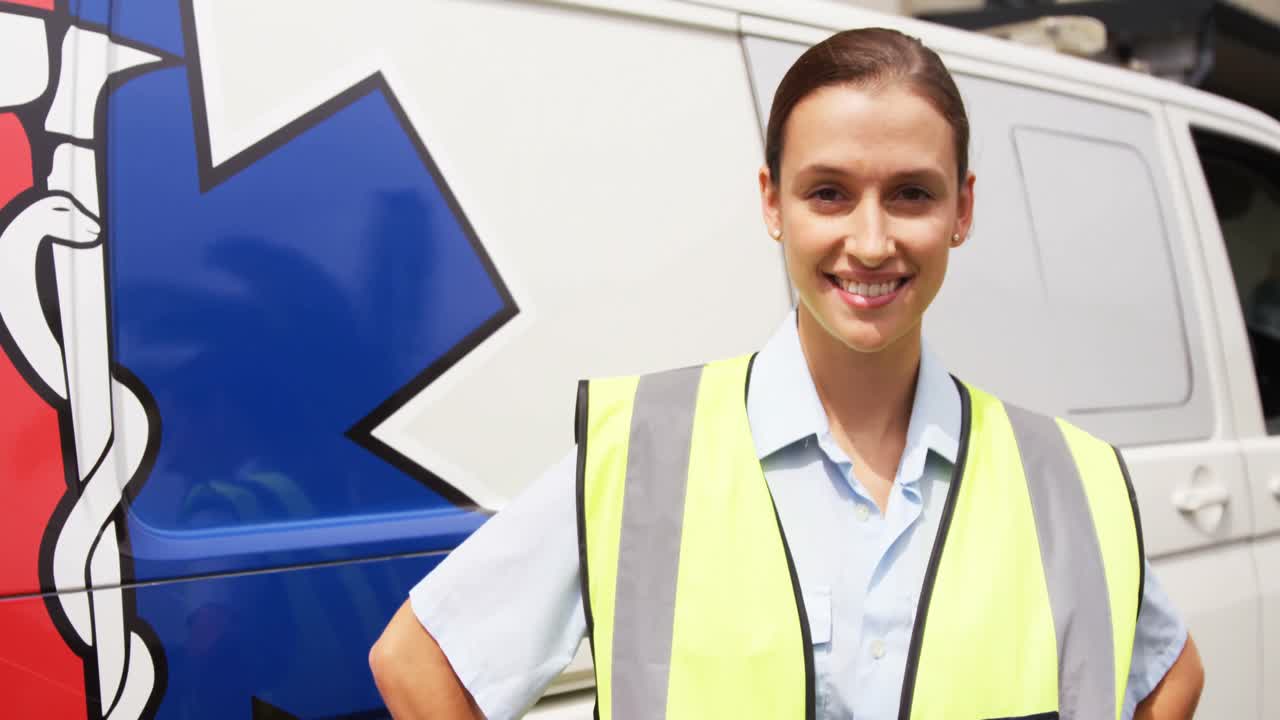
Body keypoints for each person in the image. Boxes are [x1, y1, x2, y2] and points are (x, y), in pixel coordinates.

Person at [369, 28, 1204, 719]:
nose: (872, 242)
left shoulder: (1064, 478)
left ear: (964, 209)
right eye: (829, 193)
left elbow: (1173, 676)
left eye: (912, 193)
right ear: (773, 203)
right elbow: (417, 662)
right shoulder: (647, 456)